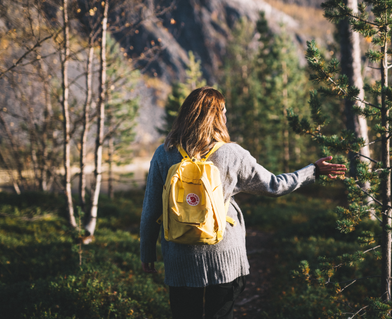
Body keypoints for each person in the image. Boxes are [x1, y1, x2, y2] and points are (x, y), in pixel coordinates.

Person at [140, 87, 346, 319]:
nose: (226, 116)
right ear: (217, 117)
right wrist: (313, 171)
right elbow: (275, 186)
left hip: (180, 258)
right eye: (224, 111)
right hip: (225, 256)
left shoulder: (163, 154)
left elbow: (151, 210)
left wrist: (147, 251)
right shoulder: (232, 154)